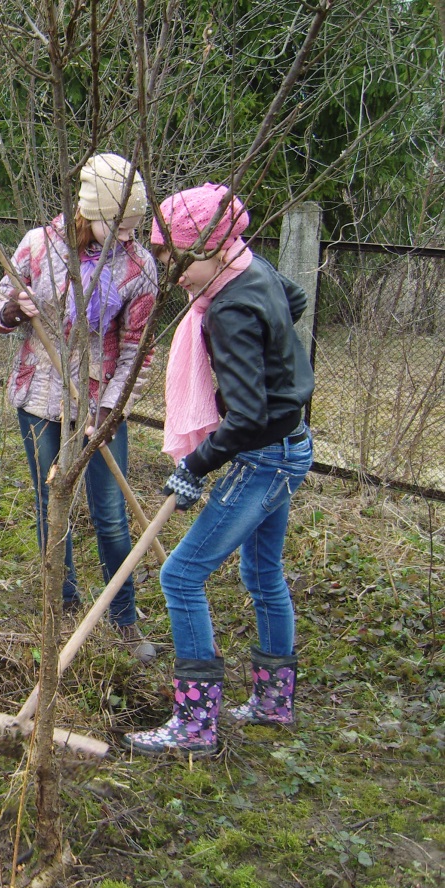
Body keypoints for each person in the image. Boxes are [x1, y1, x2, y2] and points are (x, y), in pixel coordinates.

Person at [122, 183, 314, 759]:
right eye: (166, 261)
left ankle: (195, 725)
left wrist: (196, 465)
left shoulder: (228, 309)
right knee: (263, 577)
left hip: (263, 456)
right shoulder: (253, 271)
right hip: (291, 444)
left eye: (181, 261)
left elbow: (249, 415)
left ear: (215, 246)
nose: (175, 274)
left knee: (180, 577)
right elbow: (295, 298)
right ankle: (273, 703)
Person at [0, 153, 159, 661]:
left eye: (134, 225)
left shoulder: (139, 267)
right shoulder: (39, 248)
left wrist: (108, 411)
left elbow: (136, 349)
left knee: (110, 513)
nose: (128, 235)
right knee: (51, 506)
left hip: (99, 407)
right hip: (39, 398)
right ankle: (60, 605)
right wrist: (12, 312)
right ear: (88, 212)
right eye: (119, 224)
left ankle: (123, 617)